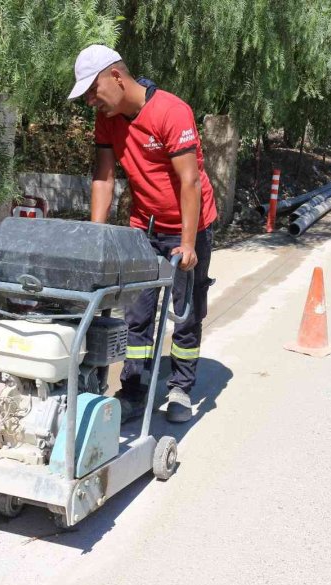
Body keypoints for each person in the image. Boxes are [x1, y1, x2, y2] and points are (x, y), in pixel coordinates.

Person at [68, 44, 217, 423]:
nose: (90, 101)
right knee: (137, 313)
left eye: (92, 90)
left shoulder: (171, 111)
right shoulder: (109, 116)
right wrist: (95, 237)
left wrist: (186, 243)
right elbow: (104, 176)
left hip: (189, 225)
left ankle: (181, 387)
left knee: (184, 311)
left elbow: (189, 181)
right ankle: (134, 389)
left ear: (116, 77)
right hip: (143, 226)